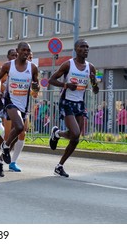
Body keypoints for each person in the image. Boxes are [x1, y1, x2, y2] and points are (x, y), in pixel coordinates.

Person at [49, 39, 99, 178]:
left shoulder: (91, 67)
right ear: (76, 49)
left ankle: (59, 164)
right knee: (75, 133)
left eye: (87, 47)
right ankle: (57, 134)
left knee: (76, 138)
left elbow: (95, 91)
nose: (85, 49)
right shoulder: (68, 64)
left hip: (80, 104)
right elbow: (51, 80)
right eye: (82, 47)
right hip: (67, 102)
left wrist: (94, 83)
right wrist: (66, 85)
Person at [0, 42, 39, 177]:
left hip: (24, 105)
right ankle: (5, 148)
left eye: (28, 51)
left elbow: (36, 89)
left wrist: (36, 88)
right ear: (17, 51)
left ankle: (0, 160)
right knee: (18, 127)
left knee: (19, 133)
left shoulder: (33, 68)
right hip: (10, 102)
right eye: (23, 50)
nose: (26, 52)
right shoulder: (8, 66)